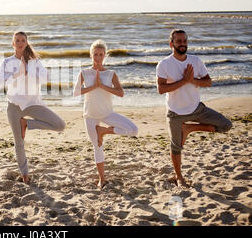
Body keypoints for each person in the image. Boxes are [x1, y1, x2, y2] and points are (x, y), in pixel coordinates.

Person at [156, 29, 232, 188]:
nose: (182, 44)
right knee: (176, 147)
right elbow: (161, 89)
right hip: (175, 113)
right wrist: (184, 80)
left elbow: (208, 82)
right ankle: (179, 177)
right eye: (178, 41)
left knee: (226, 125)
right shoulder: (164, 64)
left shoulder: (196, 61)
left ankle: (190, 128)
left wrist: (193, 80)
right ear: (171, 44)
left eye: (184, 41)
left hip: (197, 109)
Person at [0, 31, 66, 184]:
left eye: (23, 40)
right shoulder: (7, 62)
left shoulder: (34, 61)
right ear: (13, 43)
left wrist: (29, 72)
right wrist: (17, 74)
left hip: (33, 104)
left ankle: (27, 124)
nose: (20, 43)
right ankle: (25, 174)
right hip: (14, 106)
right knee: (19, 142)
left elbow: (46, 77)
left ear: (26, 43)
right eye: (17, 40)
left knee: (60, 125)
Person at [73, 39, 138, 189]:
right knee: (97, 146)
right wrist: (93, 86)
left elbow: (121, 93)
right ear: (91, 55)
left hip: (107, 113)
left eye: (101, 54)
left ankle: (104, 131)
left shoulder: (111, 74)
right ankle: (102, 178)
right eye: (95, 54)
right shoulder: (84, 73)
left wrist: (102, 85)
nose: (98, 57)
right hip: (90, 115)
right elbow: (76, 92)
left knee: (133, 130)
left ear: (105, 56)